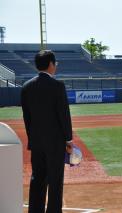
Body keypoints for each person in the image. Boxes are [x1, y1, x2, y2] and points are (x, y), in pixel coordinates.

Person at [21, 50, 73, 213]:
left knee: (37, 179)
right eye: (55, 63)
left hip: (36, 142)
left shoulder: (27, 87)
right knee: (55, 182)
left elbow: (27, 118)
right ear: (51, 64)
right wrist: (68, 139)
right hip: (55, 143)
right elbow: (63, 114)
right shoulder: (57, 86)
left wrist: (33, 138)